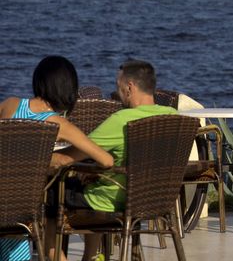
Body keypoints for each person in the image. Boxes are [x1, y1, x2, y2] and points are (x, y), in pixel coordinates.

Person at [46, 60, 178, 261]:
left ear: (129, 87)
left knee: (47, 197)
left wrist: (37, 160)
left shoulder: (121, 120)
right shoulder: (173, 117)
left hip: (113, 200)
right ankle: (90, 257)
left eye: (118, 86)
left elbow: (69, 156)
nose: (117, 92)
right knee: (92, 182)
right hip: (156, 199)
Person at [0, 56, 112, 261]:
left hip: (4, 200)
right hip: (22, 210)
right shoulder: (57, 123)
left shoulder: (10, 104)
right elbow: (106, 160)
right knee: (51, 215)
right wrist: (58, 157)